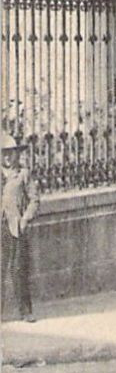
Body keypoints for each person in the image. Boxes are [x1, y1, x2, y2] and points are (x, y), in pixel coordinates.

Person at [1, 132, 40, 322]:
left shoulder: (23, 174)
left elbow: (34, 200)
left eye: (10, 153)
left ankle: (25, 310)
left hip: (16, 227)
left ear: (17, 154)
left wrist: (25, 219)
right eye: (3, 153)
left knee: (18, 269)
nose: (7, 157)